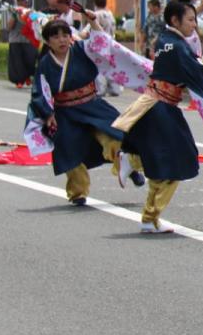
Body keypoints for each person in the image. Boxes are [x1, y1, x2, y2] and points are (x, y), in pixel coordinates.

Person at [116, 0, 203, 233]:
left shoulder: (165, 39)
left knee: (163, 161)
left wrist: (196, 9)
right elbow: (196, 69)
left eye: (195, 19)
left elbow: (186, 48)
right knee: (178, 160)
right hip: (161, 106)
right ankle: (132, 162)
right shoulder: (177, 47)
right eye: (190, 20)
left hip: (155, 104)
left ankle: (149, 218)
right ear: (175, 20)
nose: (194, 24)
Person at [26, 18, 145, 206]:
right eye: (55, 37)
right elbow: (39, 92)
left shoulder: (82, 50)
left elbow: (102, 44)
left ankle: (129, 168)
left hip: (92, 105)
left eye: (65, 35)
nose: (62, 40)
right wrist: (48, 114)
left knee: (113, 135)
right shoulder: (45, 64)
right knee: (68, 151)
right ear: (48, 42)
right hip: (65, 112)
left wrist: (94, 22)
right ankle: (77, 193)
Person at [6, 0, 38, 87]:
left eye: (23, 1)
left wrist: (27, 15)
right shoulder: (14, 12)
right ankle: (19, 81)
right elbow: (9, 27)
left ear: (26, 2)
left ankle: (27, 76)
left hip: (29, 40)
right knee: (17, 62)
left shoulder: (32, 12)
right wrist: (15, 15)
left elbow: (34, 23)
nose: (21, 3)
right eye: (19, 1)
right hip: (15, 40)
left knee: (30, 60)